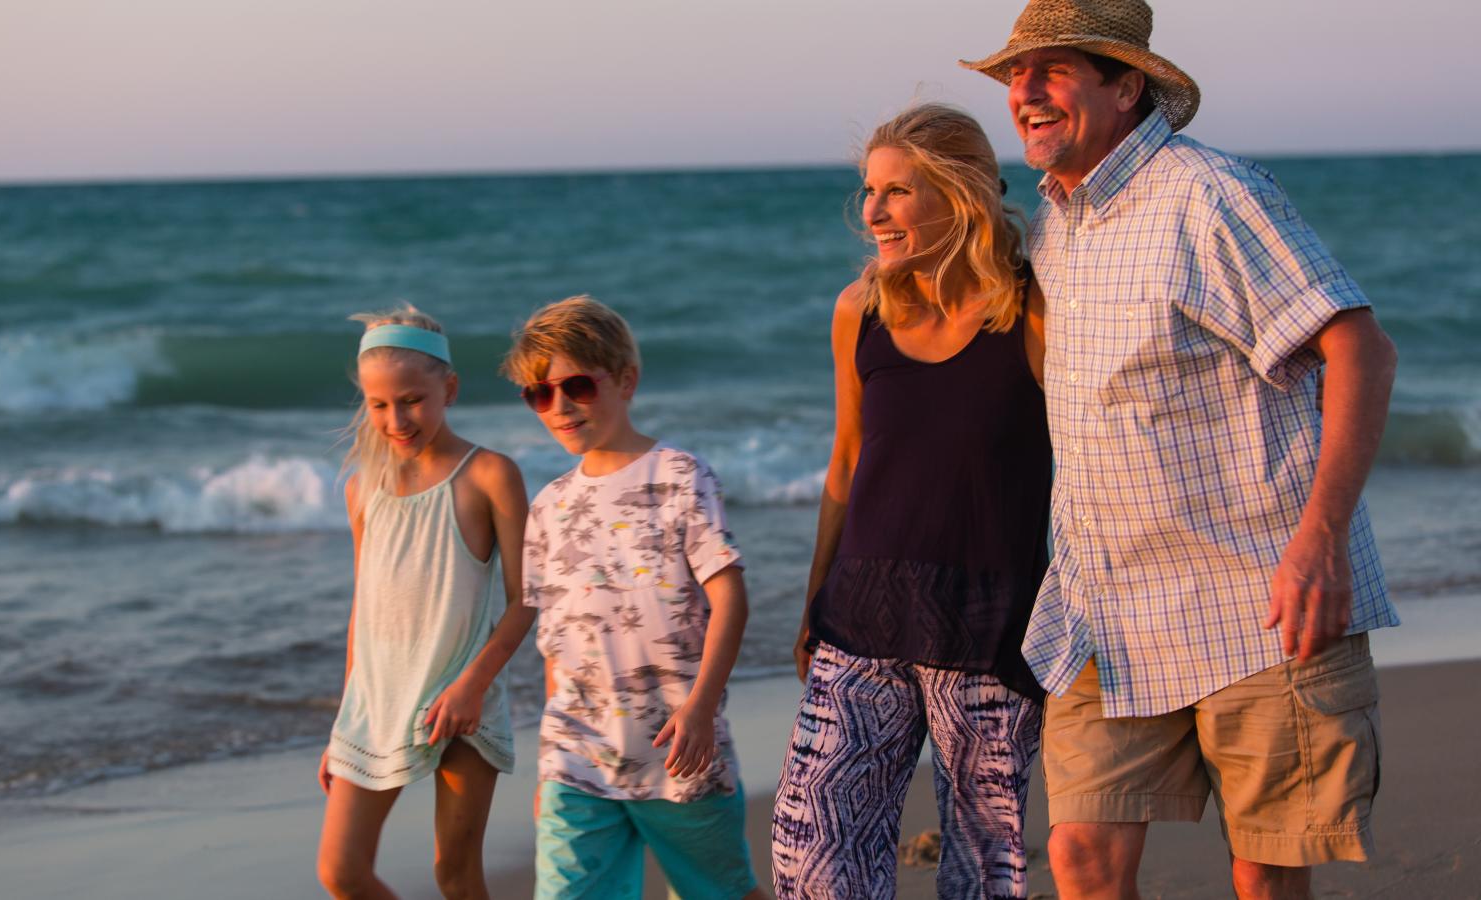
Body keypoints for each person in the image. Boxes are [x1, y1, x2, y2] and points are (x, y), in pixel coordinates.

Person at [959, 2, 1400, 898]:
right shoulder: (1059, 223)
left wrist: (1319, 541)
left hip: (1255, 601)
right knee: (1080, 853)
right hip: (1106, 609)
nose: (1025, 93)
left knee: (1263, 869)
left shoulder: (1211, 195)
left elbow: (1359, 346)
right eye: (1014, 74)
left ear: (1127, 86)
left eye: (1052, 70)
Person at [771, 104, 1050, 899]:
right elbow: (846, 462)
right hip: (861, 618)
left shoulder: (1029, 311)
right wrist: (811, 600)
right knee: (814, 856)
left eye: (896, 192)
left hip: (990, 631)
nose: (872, 212)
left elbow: (1095, 460)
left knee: (983, 872)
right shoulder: (860, 309)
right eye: (869, 191)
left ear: (958, 197)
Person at [501, 296, 769, 900]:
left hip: (678, 753)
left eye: (576, 386)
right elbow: (557, 643)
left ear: (625, 380)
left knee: (721, 893)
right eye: (539, 394)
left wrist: (700, 708)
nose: (560, 406)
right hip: (577, 759)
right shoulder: (547, 507)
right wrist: (550, 763)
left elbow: (730, 597)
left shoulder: (679, 476)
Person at [316, 306, 535, 900]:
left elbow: (527, 600)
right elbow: (364, 610)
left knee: (455, 876)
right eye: (380, 404)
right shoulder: (362, 487)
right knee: (340, 870)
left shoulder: (489, 474)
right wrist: (344, 722)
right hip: (378, 702)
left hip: (464, 701)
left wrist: (471, 685)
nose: (397, 418)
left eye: (412, 399)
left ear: (450, 388)